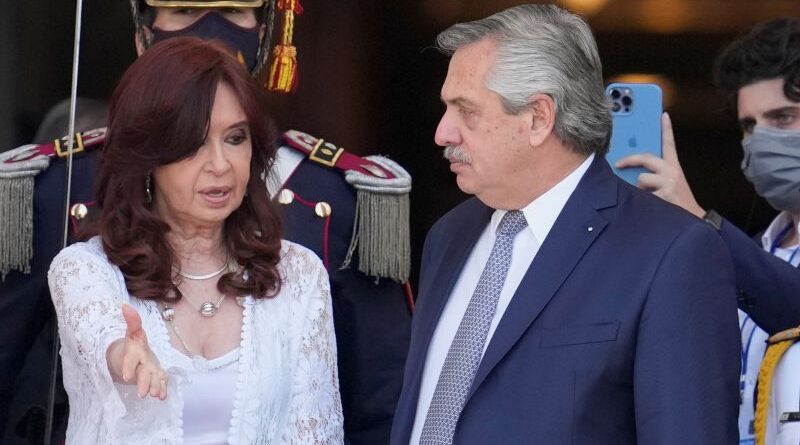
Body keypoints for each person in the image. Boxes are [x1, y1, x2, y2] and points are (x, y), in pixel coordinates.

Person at [0, 2, 411, 443]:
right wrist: (119, 353)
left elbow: (372, 403)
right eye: (182, 11)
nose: (219, 165)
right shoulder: (68, 217)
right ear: (142, 34)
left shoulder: (308, 251)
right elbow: (69, 340)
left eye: (234, 12)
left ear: (267, 31)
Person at [390, 5, 740, 444]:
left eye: (467, 111)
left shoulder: (672, 253)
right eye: (447, 108)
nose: (443, 133)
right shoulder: (448, 236)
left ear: (539, 117)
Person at [48, 37, 343, 443]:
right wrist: (123, 356)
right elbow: (101, 334)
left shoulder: (298, 274)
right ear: (148, 156)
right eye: (194, 144)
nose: (220, 165)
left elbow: (316, 432)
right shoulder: (85, 270)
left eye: (235, 138)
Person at [616, 18, 800, 445]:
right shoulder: (746, 258)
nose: (761, 139)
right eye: (749, 125)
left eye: (783, 117)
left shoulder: (732, 260)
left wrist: (700, 221)